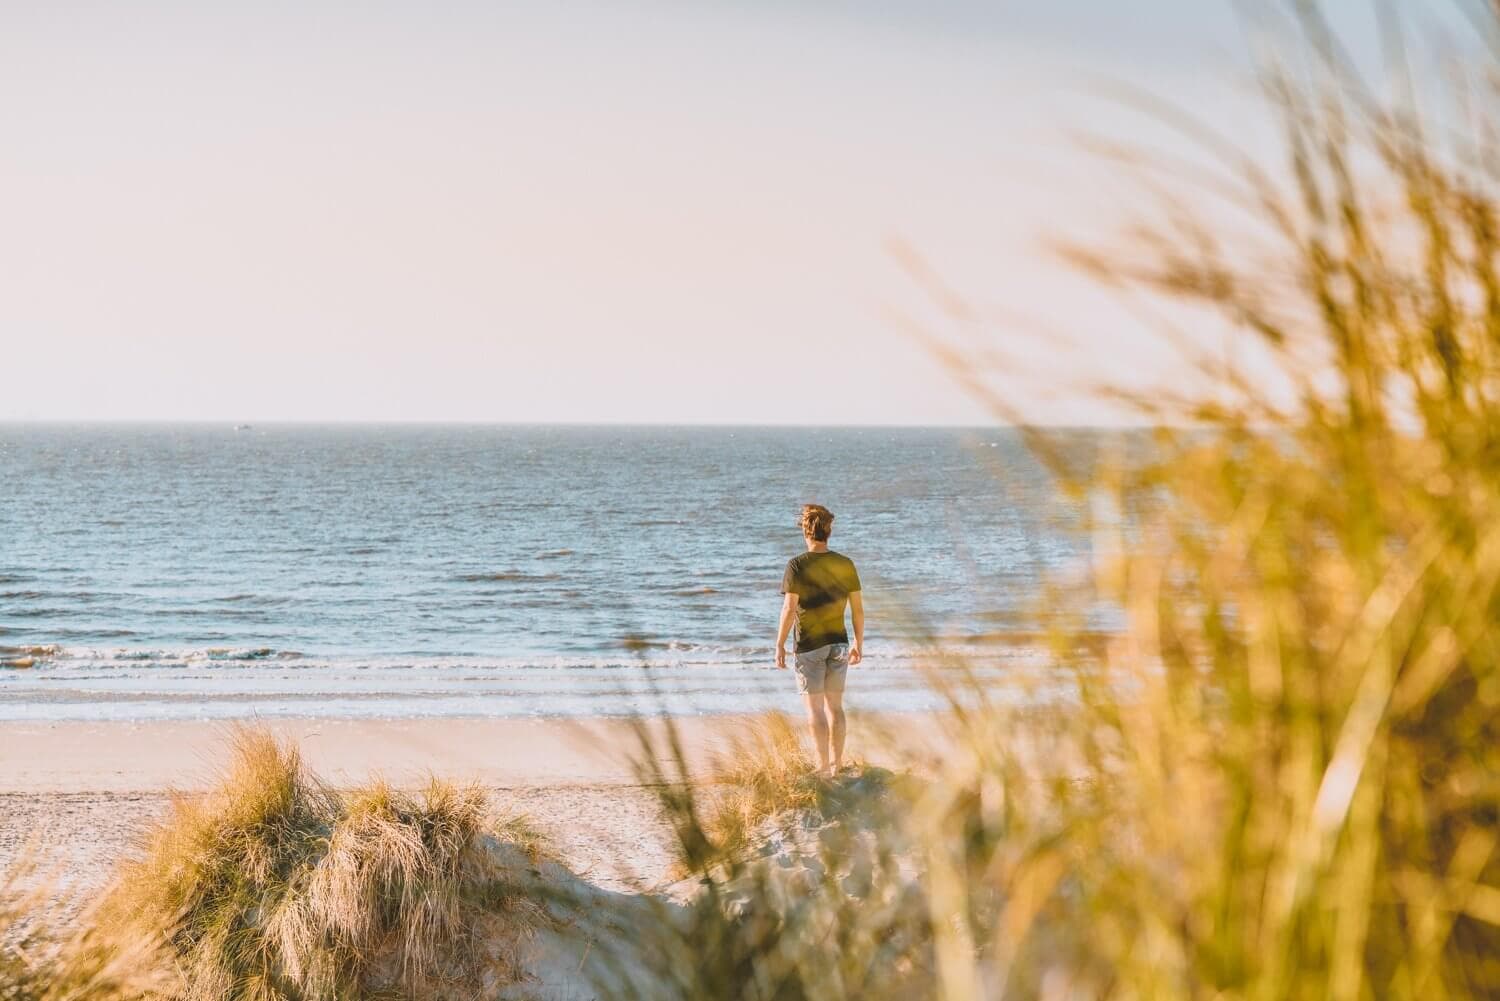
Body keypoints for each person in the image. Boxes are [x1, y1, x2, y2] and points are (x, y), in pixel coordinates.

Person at [776, 503, 863, 776]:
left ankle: (823, 766)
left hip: (809, 646)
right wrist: (859, 642)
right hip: (838, 643)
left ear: (806, 531)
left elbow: (790, 608)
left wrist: (779, 644)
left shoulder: (797, 565)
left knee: (815, 710)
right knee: (835, 707)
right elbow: (857, 609)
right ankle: (837, 765)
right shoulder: (845, 563)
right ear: (829, 531)